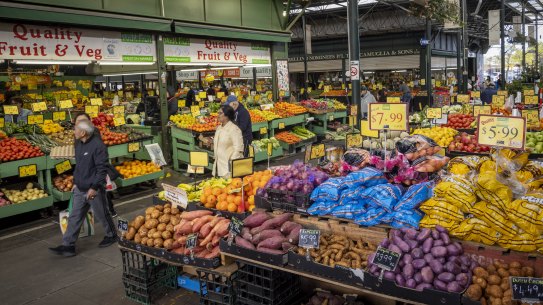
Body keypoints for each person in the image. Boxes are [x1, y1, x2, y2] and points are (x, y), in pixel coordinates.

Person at [49, 120, 117, 257]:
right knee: (75, 216)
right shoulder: (79, 144)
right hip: (80, 188)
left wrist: (94, 187)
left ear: (83, 132)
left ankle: (112, 235)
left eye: (75, 130)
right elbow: (79, 166)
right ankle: (68, 245)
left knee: (102, 214)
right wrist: (75, 182)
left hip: (94, 189)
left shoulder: (98, 146)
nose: (73, 132)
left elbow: (101, 170)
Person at [73, 113, 119, 217]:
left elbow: (99, 160)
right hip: (85, 173)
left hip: (95, 170)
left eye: (84, 121)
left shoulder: (94, 134)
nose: (81, 123)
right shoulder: (77, 136)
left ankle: (109, 212)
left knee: (100, 194)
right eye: (79, 122)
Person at [213, 105, 244, 178]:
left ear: (227, 115)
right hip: (219, 166)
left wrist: (231, 165)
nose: (218, 115)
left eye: (220, 113)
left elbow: (238, 149)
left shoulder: (234, 129)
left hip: (229, 169)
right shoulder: (219, 128)